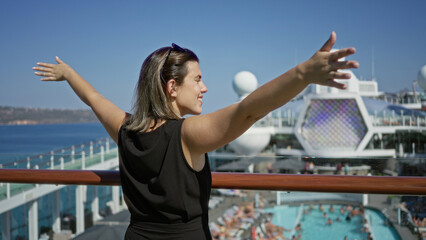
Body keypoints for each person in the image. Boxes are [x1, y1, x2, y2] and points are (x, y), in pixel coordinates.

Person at [33, 32, 358, 239]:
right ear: (172, 88)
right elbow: (247, 110)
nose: (204, 88)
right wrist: (303, 73)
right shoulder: (187, 135)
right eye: (198, 80)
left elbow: (93, 98)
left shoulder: (124, 129)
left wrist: (69, 74)